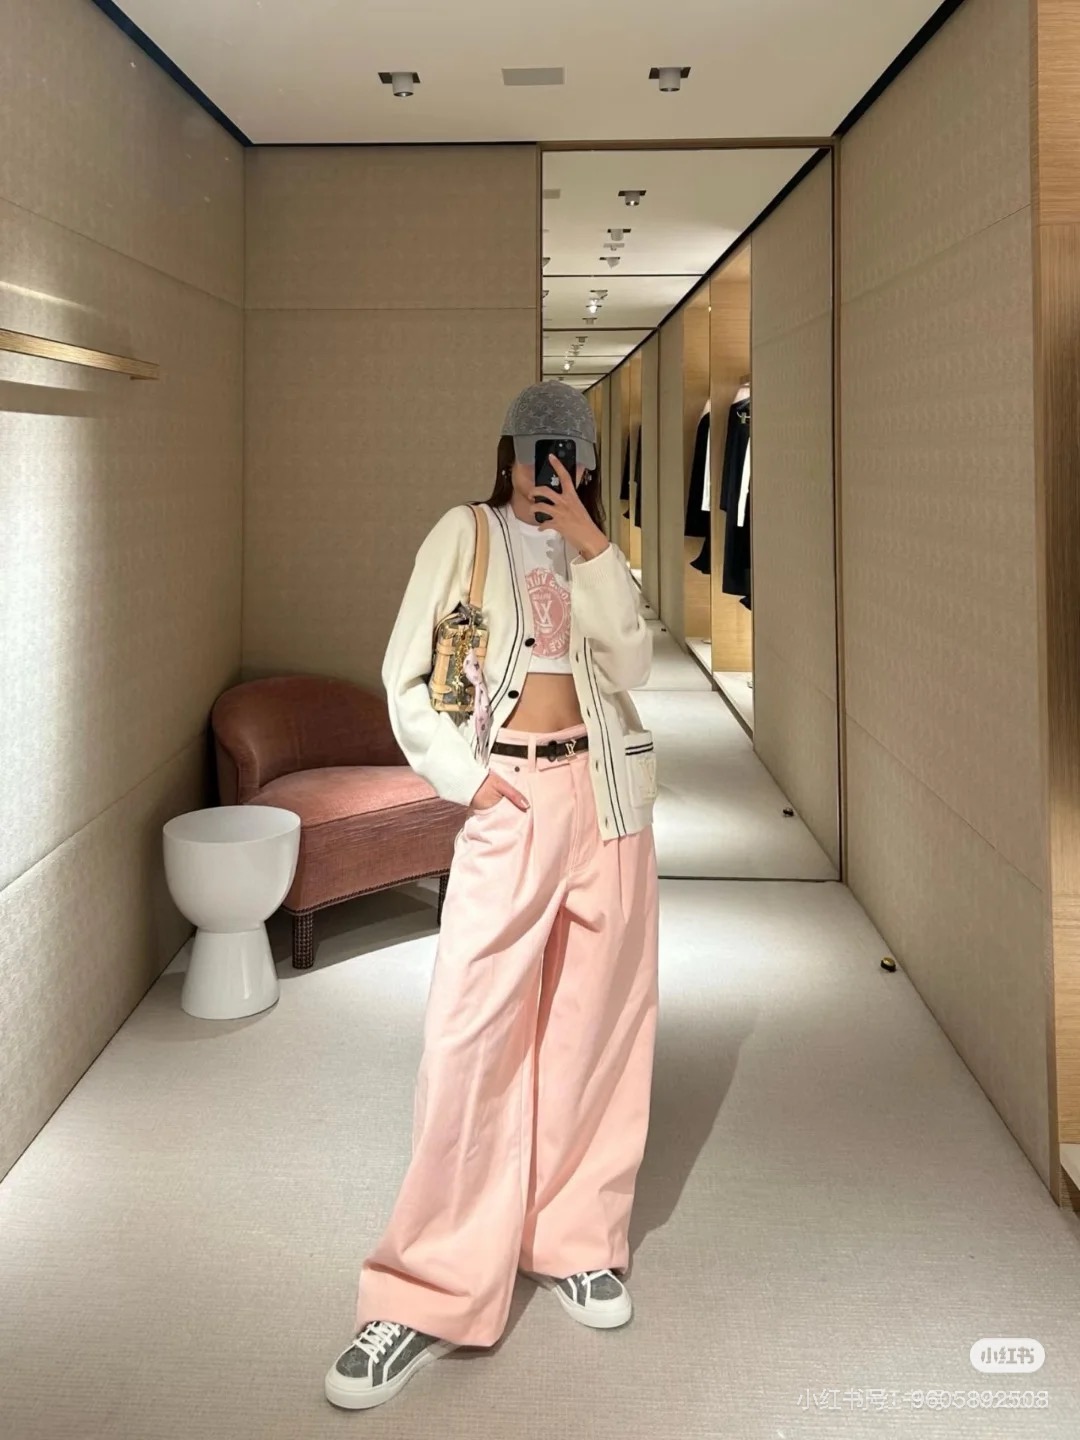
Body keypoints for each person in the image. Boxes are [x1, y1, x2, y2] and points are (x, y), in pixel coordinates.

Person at [324, 381, 660, 1411]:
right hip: (510, 797)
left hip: (605, 799)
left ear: (585, 463)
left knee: (595, 1031)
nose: (542, 469)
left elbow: (634, 664)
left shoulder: (595, 550)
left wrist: (595, 546)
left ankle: (575, 1239)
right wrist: (468, 781)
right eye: (529, 449)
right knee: (468, 1041)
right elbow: (406, 678)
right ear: (505, 450)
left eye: (563, 453)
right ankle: (427, 1289)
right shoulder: (464, 534)